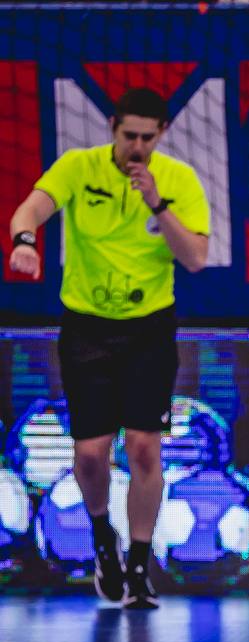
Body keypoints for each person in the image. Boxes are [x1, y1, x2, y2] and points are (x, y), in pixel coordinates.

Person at [6, 87, 211, 610]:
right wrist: (25, 242)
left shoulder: (179, 180)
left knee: (143, 447)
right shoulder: (79, 167)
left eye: (148, 138)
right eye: (129, 136)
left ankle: (140, 565)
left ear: (162, 134)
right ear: (113, 128)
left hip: (149, 330)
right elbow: (29, 210)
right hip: (87, 329)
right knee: (91, 455)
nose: (137, 147)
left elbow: (195, 258)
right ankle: (104, 540)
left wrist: (157, 203)